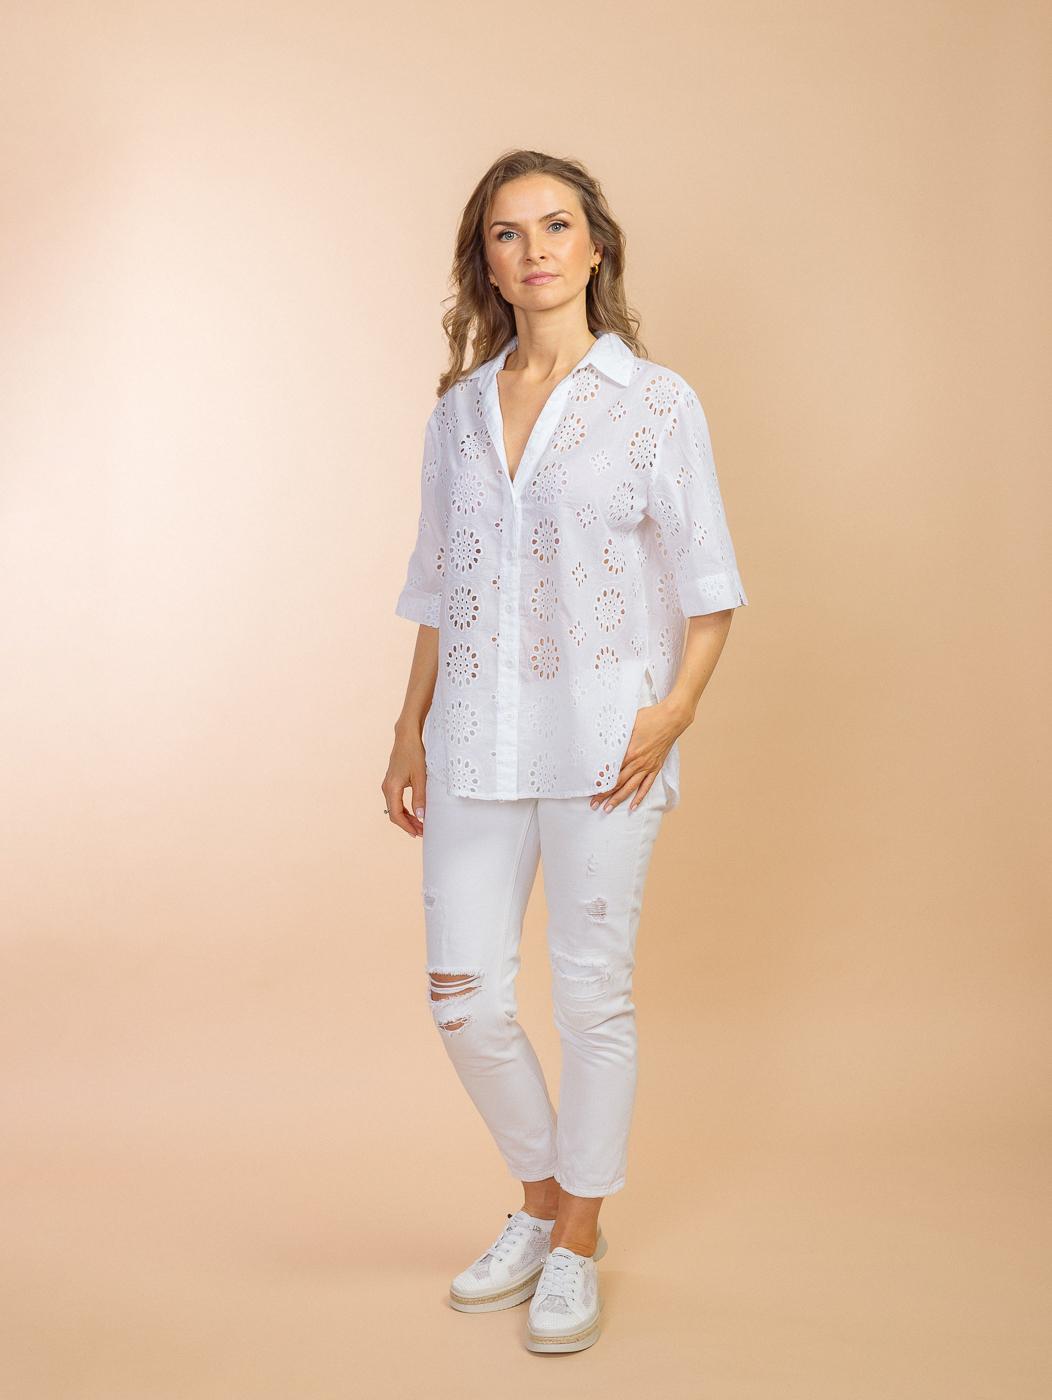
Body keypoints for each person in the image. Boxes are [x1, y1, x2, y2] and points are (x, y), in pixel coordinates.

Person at [383, 149, 749, 1354]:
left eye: (554, 226)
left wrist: (672, 711)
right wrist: (406, 725)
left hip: (605, 740)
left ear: (594, 248)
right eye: (507, 232)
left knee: (591, 992)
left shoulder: (655, 402)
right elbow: (438, 587)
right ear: (484, 262)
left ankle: (577, 1236)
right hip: (471, 733)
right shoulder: (455, 414)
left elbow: (707, 586)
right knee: (463, 997)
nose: (532, 249)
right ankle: (540, 1199)